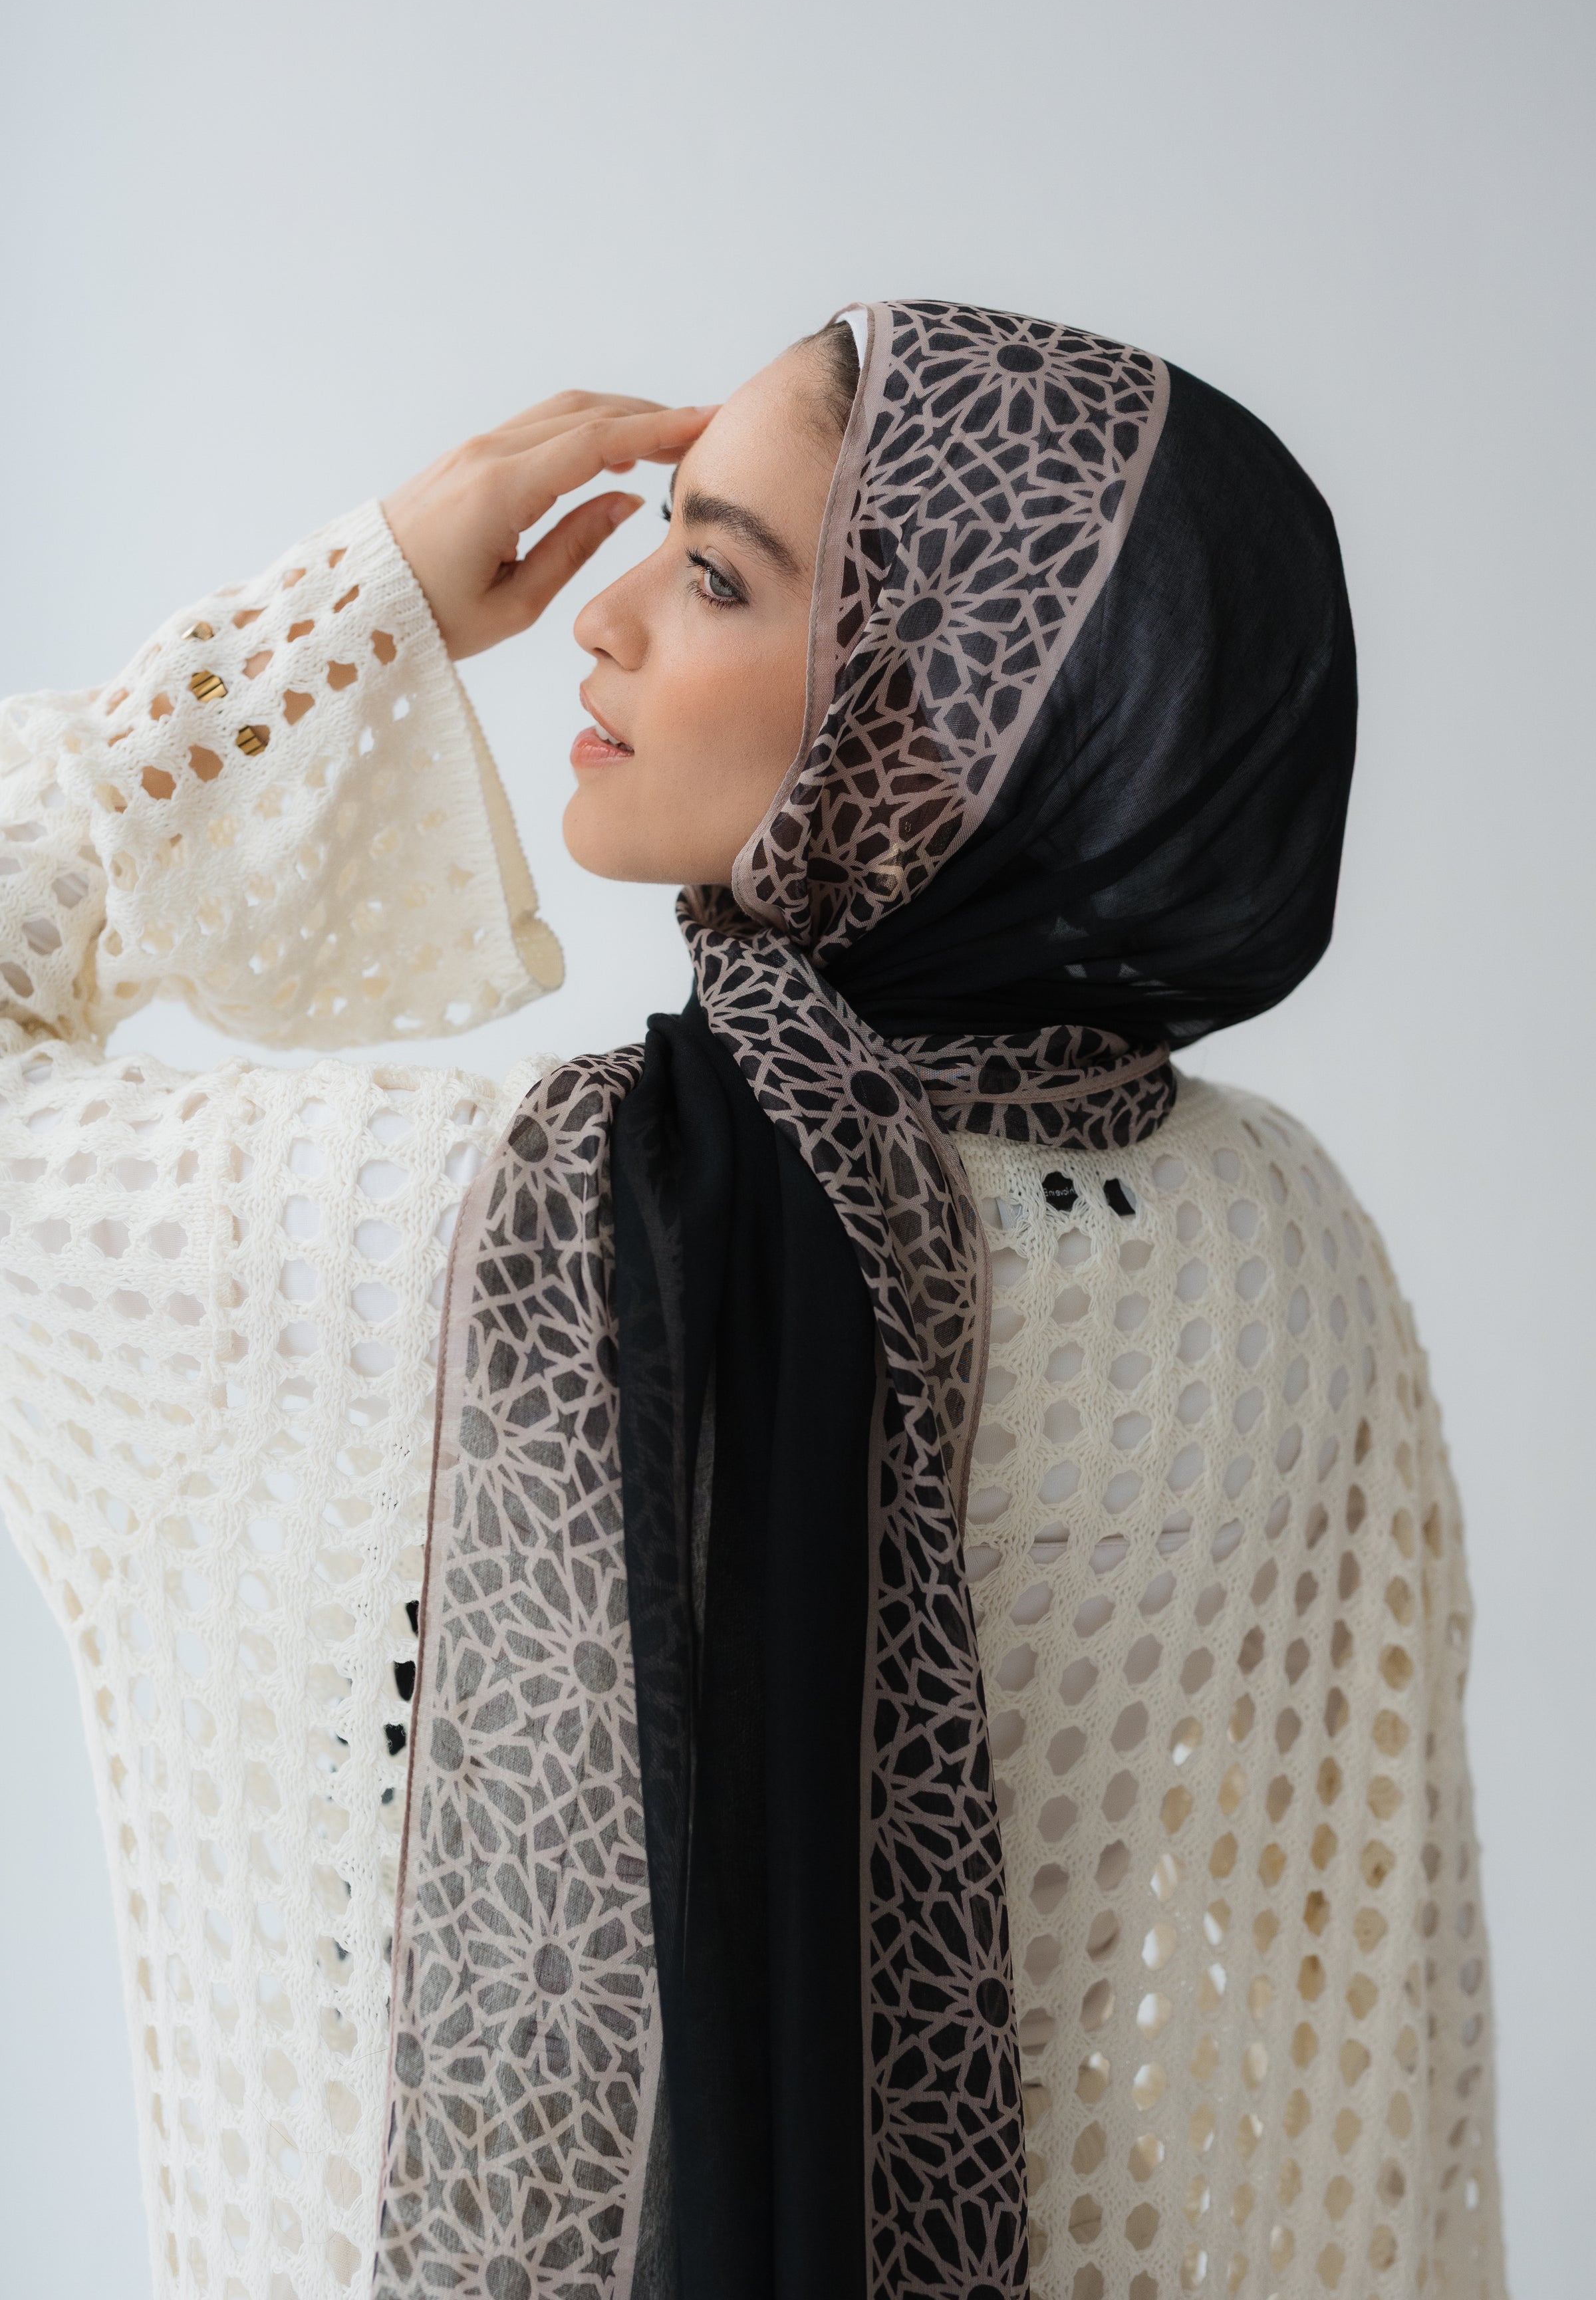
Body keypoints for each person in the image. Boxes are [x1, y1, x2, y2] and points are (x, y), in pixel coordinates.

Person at [0, 303, 1504, 2300]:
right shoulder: (1272, 1242)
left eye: (715, 575)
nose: (600, 620)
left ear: (937, 713)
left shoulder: (452, 1225)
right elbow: (1337, 2020)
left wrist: (359, 611)